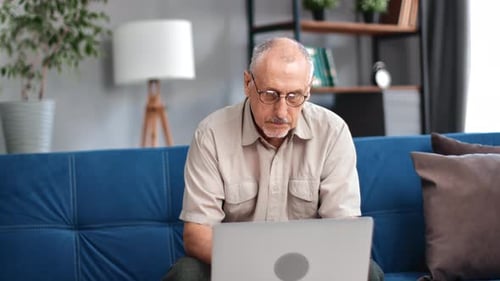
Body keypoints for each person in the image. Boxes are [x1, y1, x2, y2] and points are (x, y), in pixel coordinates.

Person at [162, 37, 384, 281]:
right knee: (186, 273)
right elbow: (197, 233)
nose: (281, 111)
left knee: (368, 272)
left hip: (309, 270)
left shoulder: (332, 132)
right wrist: (261, 269)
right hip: (237, 269)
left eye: (294, 97)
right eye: (270, 94)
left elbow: (343, 230)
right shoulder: (211, 134)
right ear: (248, 83)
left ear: (308, 90)